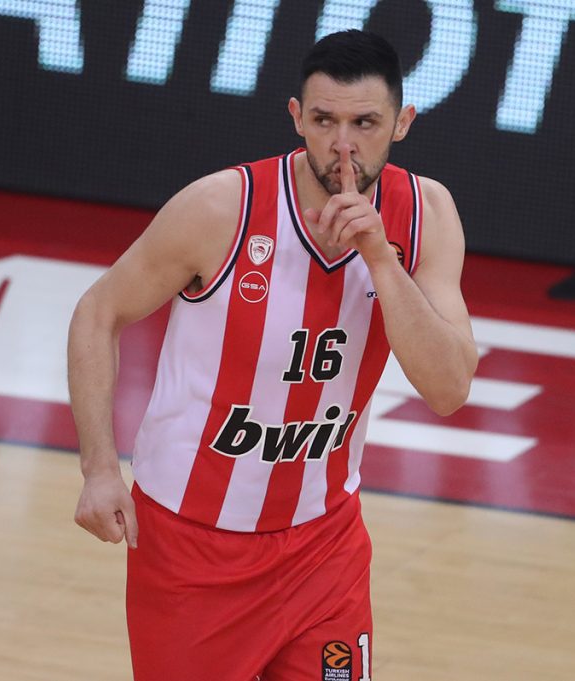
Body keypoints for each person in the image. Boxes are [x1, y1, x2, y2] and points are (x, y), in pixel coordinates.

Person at [68, 29, 477, 681]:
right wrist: (97, 469)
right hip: (192, 547)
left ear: (402, 122)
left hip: (324, 544)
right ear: (296, 117)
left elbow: (449, 387)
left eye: (365, 123)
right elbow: (98, 312)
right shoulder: (220, 208)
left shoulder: (426, 213)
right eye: (324, 120)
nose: (343, 145)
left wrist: (380, 258)